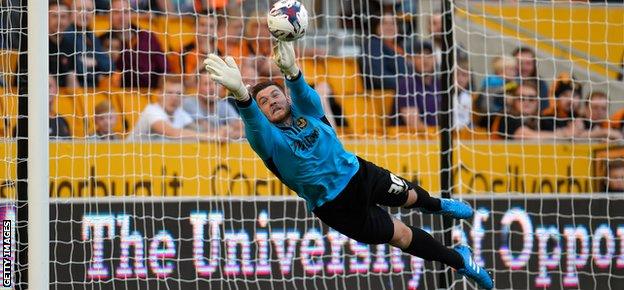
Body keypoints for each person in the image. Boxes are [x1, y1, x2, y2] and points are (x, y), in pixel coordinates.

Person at [203, 41, 493, 289]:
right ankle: (461, 261)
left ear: (286, 98)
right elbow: (252, 121)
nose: (272, 102)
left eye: (276, 95)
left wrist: (292, 72)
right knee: (402, 236)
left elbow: (302, 91)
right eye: (264, 102)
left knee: (411, 197)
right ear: (262, 112)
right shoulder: (267, 142)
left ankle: (438, 206)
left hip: (359, 174)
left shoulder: (311, 112)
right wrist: (242, 95)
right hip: (336, 207)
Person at [127, 75, 226, 142]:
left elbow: (199, 130)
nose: (174, 97)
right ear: (159, 94)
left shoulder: (180, 113)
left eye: (179, 94)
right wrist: (211, 136)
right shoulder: (151, 111)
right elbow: (172, 133)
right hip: (128, 162)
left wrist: (221, 132)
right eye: (169, 93)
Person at [105, 0, 167, 88]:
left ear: (131, 14)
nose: (121, 17)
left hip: (154, 92)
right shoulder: (103, 41)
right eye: (116, 12)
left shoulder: (147, 37)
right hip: (124, 94)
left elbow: (164, 67)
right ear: (108, 15)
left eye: (125, 12)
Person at [494, 81, 576, 140]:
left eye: (531, 98)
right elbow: (524, 135)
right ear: (514, 101)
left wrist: (575, 128)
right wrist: (562, 134)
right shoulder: (506, 118)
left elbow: (572, 131)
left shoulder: (542, 119)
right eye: (522, 98)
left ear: (538, 102)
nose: (526, 102)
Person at [61, 0, 112, 88]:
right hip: (71, 91)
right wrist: (97, 72)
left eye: (88, 10)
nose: (84, 13)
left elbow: (109, 66)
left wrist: (95, 62)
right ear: (71, 12)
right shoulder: (65, 35)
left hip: (92, 90)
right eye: (79, 9)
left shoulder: (92, 36)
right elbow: (77, 68)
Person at [392, 40, 439, 129]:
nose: (424, 60)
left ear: (435, 59)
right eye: (419, 56)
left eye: (428, 55)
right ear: (412, 60)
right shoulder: (406, 85)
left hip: (437, 136)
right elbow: (414, 124)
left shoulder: (440, 84)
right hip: (412, 139)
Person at [359, 12, 411, 91]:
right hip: (385, 95)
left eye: (393, 23)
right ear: (376, 26)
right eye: (384, 23)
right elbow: (377, 75)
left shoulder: (399, 47)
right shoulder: (374, 44)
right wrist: (408, 85)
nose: (389, 27)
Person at [183, 72, 244, 139]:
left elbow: (241, 127)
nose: (212, 88)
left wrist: (227, 131)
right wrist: (228, 130)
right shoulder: (189, 103)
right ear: (197, 87)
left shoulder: (223, 105)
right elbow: (206, 129)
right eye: (207, 84)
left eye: (216, 84)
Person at [49, 1, 76, 87]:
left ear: (69, 20)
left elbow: (71, 78)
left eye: (63, 17)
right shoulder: (37, 46)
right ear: (46, 18)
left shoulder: (69, 46)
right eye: (55, 16)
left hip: (63, 96)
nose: (59, 21)